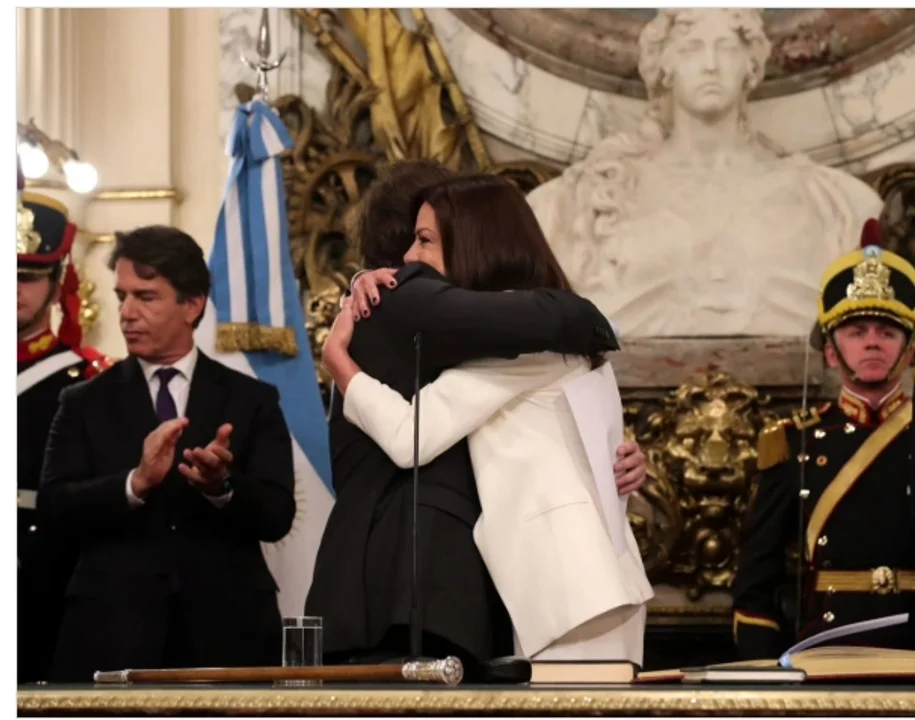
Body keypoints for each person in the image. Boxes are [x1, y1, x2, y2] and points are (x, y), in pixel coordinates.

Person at [306, 160, 645, 675]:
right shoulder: (539, 342)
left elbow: (409, 436)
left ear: (474, 239)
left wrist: (340, 365)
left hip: (571, 587)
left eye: (424, 241)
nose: (408, 259)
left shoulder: (523, 346)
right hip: (579, 583)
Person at [39, 225, 296, 682]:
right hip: (112, 636)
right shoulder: (82, 402)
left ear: (192, 305)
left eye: (146, 297)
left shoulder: (251, 400)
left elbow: (277, 515)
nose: (127, 313)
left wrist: (221, 488)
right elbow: (54, 508)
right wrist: (134, 484)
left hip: (227, 637)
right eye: (122, 297)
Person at [527, 8, 882, 338]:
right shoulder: (588, 198)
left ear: (751, 65)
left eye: (726, 48)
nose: (710, 65)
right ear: (665, 66)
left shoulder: (831, 200)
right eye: (691, 48)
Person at [732, 218, 915, 660]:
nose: (873, 343)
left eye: (887, 332)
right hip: (828, 649)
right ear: (832, 353)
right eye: (857, 332)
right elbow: (757, 582)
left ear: (910, 352)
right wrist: (772, 674)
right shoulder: (794, 442)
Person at [17, 167, 112, 684]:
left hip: (41, 583)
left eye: (28, 275)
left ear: (57, 284)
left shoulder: (90, 380)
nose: (13, 288)